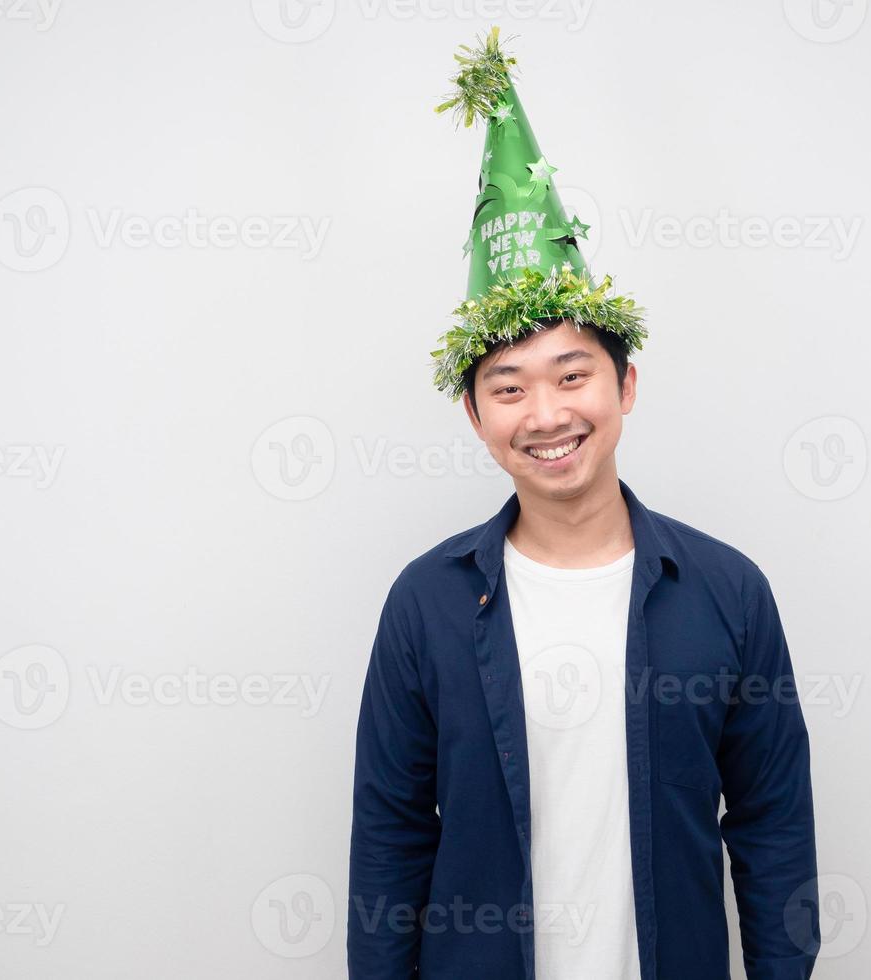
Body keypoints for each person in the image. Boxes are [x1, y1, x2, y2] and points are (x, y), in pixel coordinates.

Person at [348, 28, 820, 980]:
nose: (547, 413)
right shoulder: (426, 602)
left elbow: (771, 825)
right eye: (510, 387)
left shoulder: (726, 591)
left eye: (573, 375)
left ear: (625, 385)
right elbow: (391, 838)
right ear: (476, 415)